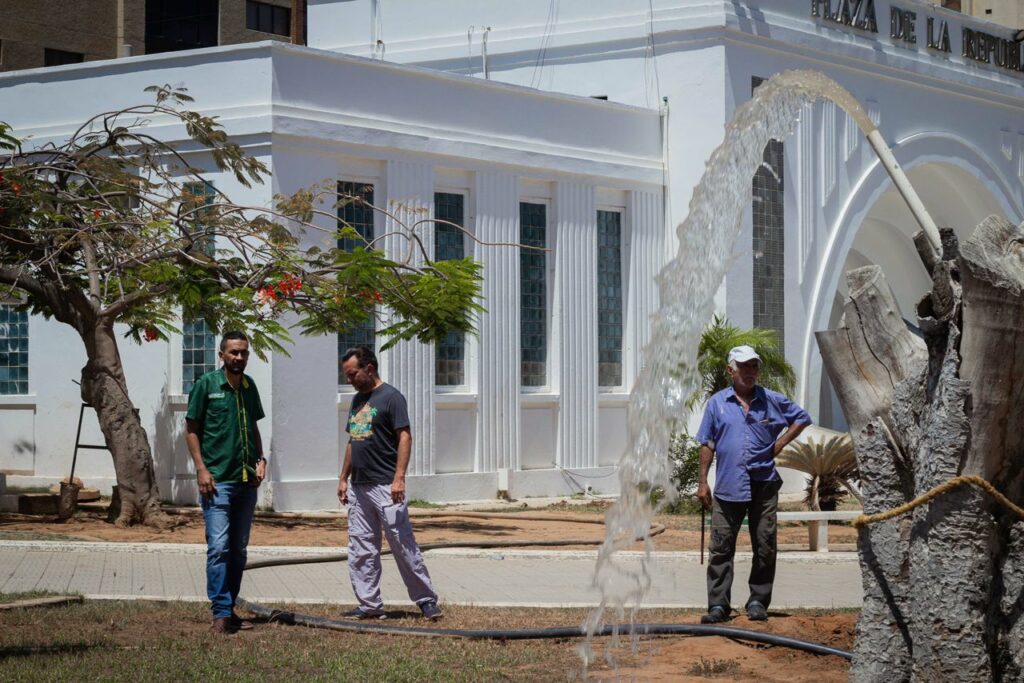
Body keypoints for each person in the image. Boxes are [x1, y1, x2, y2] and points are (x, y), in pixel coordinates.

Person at [695, 344, 811, 624]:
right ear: (730, 370)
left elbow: (801, 418)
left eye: (754, 366)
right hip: (728, 486)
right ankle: (718, 606)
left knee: (765, 544)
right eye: (744, 366)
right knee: (721, 548)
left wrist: (779, 444)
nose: (750, 371)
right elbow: (707, 443)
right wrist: (702, 483)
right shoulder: (717, 403)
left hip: (764, 485)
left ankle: (758, 601)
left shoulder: (771, 399)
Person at [337, 345, 442, 621]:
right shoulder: (357, 400)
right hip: (360, 487)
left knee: (402, 545)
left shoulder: (392, 397)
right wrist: (343, 478)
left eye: (352, 374)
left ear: (369, 368)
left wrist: (399, 478)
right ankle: (369, 605)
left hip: (386, 486)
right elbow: (353, 440)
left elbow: (404, 436)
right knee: (361, 548)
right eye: (347, 375)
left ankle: (426, 600)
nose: (349, 379)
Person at [185, 330, 267, 634]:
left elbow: (253, 428)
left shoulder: (249, 386)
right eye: (233, 352)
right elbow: (191, 430)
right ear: (221, 355)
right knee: (218, 547)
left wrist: (261, 459)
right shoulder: (206, 385)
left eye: (243, 352)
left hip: (246, 482)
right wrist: (201, 469)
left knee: (238, 550)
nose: (239, 357)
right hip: (217, 482)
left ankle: (229, 608)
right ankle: (220, 613)